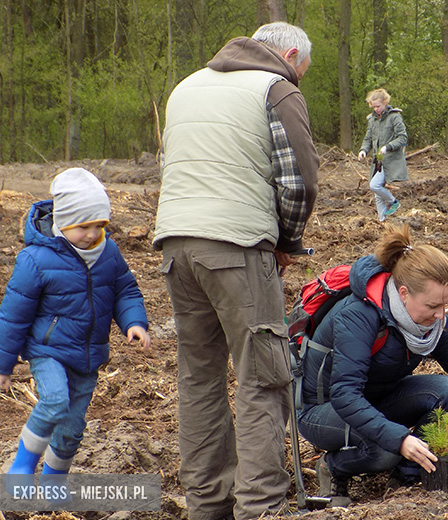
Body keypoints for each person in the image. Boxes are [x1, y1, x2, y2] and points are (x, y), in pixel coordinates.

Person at [153, 22, 319, 520]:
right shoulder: (276, 87)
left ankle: (207, 506)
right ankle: (259, 507)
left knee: (199, 379)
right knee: (263, 377)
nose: (300, 78)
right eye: (302, 70)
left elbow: (172, 165)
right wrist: (286, 240)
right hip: (238, 245)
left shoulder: (186, 86)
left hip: (176, 245)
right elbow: (300, 182)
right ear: (290, 54)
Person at [297, 224, 448, 506]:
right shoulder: (359, 316)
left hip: (374, 400)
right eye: (433, 305)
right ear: (403, 293)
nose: (441, 315)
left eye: (445, 304)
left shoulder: (432, 323)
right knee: (386, 447)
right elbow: (345, 395)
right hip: (324, 410)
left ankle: (405, 477)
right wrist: (399, 440)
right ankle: (334, 466)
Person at [0, 168, 150, 478]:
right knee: (55, 402)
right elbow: (13, 316)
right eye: (84, 226)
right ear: (63, 222)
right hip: (48, 350)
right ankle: (23, 464)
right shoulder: (36, 259)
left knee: (71, 430)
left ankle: (54, 483)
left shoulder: (108, 252)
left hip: (89, 355)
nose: (93, 234)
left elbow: (125, 290)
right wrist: (3, 366)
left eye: (100, 225)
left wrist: (134, 321)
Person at [357, 89, 408, 222]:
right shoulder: (372, 120)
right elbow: (368, 138)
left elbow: (402, 137)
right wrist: (363, 150)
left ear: (385, 103)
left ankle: (393, 201)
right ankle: (382, 221)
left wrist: (388, 147)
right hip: (378, 160)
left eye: (378, 106)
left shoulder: (394, 117)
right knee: (377, 194)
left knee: (374, 185)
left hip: (391, 160)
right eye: (373, 106)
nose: (376, 109)